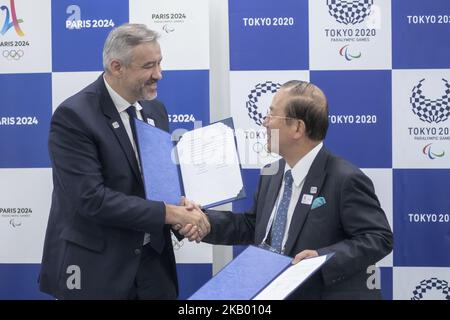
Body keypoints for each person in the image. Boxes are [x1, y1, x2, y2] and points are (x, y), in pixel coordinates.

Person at [39, 23, 209, 300]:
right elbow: (91, 199)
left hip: (154, 270)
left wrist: (178, 205)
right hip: (98, 271)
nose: (159, 74)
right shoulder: (74, 116)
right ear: (117, 67)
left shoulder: (156, 110)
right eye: (148, 66)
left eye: (160, 63)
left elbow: (150, 185)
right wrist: (169, 213)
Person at [180, 80, 393, 299]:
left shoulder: (345, 178)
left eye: (272, 115)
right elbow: (253, 226)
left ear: (298, 128)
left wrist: (321, 258)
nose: (265, 123)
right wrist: (202, 221)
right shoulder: (271, 173)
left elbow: (378, 238)